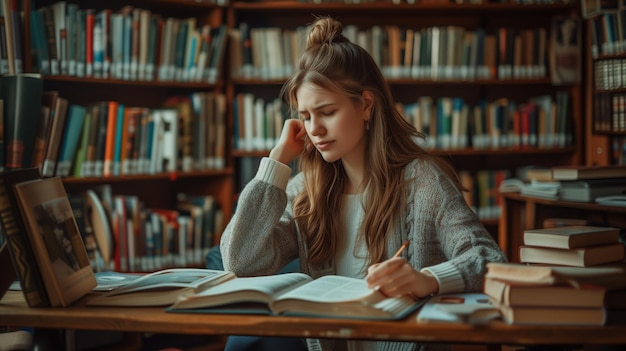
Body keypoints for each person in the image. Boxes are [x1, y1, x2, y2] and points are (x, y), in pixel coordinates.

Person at [220, 16, 507, 351]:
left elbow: (489, 258)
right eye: (306, 116)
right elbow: (241, 262)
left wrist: (427, 279)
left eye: (327, 112)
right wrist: (276, 163)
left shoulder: (421, 181)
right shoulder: (304, 192)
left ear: (366, 105)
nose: (315, 129)